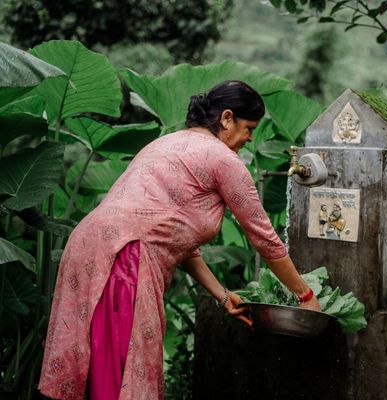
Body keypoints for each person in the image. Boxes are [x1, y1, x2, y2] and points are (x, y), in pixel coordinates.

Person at [38, 80, 320, 400]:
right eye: (249, 127)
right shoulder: (224, 160)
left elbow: (174, 239)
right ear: (226, 118)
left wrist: (222, 295)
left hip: (90, 246)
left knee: (96, 364)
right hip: (125, 257)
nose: (250, 138)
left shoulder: (167, 143)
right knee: (118, 376)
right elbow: (265, 239)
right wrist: (305, 294)